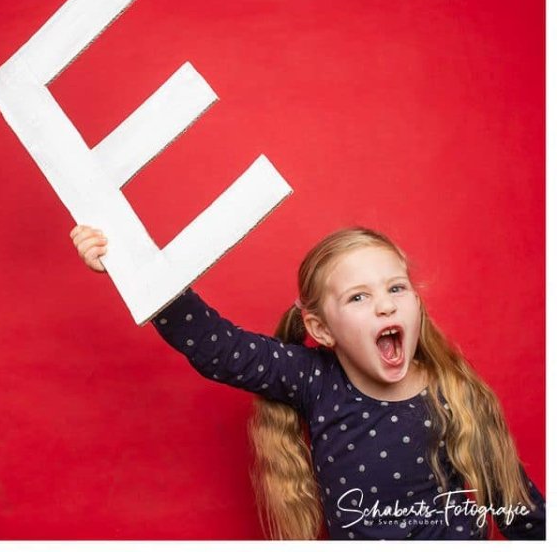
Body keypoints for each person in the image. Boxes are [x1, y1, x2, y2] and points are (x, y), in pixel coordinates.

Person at [70, 224, 544, 539]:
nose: (385, 306)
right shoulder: (314, 378)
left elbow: (518, 508)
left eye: (396, 288)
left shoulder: (456, 395)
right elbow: (216, 346)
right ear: (320, 329)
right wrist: (129, 264)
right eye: (359, 297)